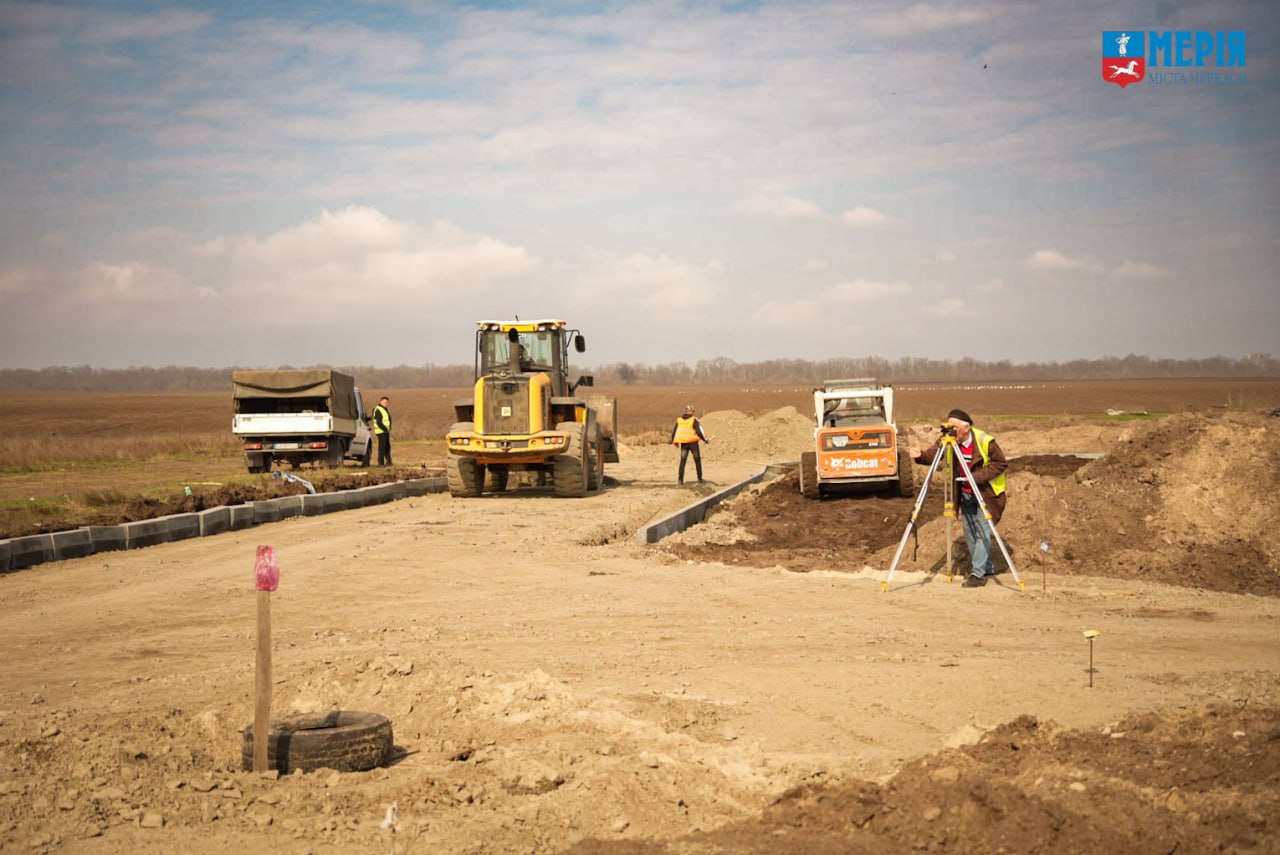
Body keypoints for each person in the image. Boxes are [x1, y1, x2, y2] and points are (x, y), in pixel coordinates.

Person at [911, 409, 1008, 587]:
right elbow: (934, 454)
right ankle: (986, 567)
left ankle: (977, 574)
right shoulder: (949, 440)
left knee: (982, 531)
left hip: (986, 493)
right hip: (964, 493)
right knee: (970, 533)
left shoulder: (984, 441)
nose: (951, 430)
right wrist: (921, 456)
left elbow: (1001, 463)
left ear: (966, 428)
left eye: (954, 427)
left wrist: (975, 477)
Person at [670, 405, 711, 484]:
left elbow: (674, 432)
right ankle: (700, 479)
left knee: (683, 461)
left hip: (684, 444)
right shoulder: (694, 420)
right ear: (691, 411)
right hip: (693, 443)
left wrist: (674, 441)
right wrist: (705, 440)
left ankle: (680, 480)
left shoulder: (679, 420)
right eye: (693, 411)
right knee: (697, 460)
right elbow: (699, 431)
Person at [372, 396, 393, 466]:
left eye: (387, 402)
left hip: (386, 431)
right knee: (382, 448)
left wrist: (389, 427)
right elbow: (378, 422)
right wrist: (385, 429)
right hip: (381, 432)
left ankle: (389, 462)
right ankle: (381, 463)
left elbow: (388, 419)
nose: (387, 404)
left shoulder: (384, 409)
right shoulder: (378, 409)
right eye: (385, 402)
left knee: (387, 447)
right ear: (381, 402)